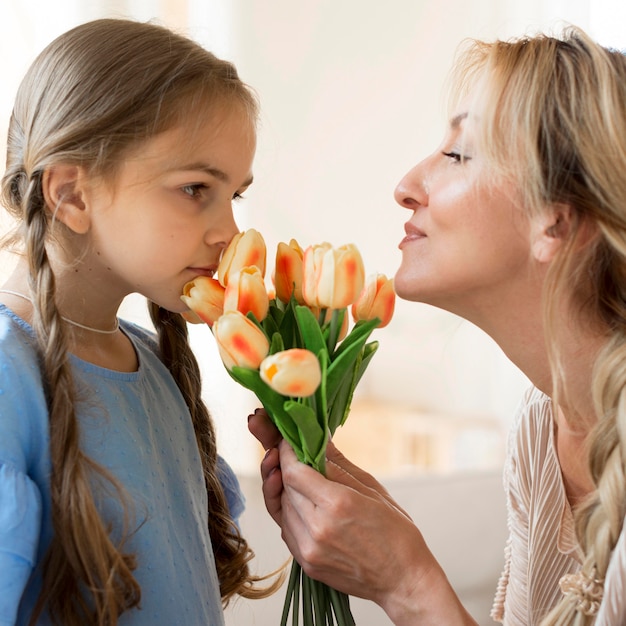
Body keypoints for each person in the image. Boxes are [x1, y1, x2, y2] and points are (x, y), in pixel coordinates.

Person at [248, 25, 626, 626]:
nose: (406, 187)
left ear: (554, 222)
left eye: (457, 154)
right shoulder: (541, 430)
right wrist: (384, 535)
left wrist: (406, 582)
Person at [0, 18, 280, 626]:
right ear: (72, 195)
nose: (228, 232)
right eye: (194, 188)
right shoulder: (7, 377)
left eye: (234, 195)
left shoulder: (153, 361)